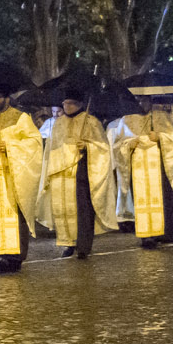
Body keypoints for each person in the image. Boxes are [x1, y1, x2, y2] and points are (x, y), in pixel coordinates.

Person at [37, 94, 117, 258]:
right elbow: (51, 147)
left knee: (82, 210)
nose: (67, 107)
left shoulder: (91, 121)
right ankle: (68, 242)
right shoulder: (58, 123)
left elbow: (103, 147)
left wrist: (88, 146)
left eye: (71, 103)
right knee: (64, 210)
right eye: (65, 103)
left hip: (81, 171)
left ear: (80, 103)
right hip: (60, 173)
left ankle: (83, 245)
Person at [0, 85, 41, 273]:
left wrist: (11, 147)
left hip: (13, 175)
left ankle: (15, 256)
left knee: (14, 214)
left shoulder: (20, 118)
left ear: (7, 98)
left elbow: (34, 143)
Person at [112, 110, 173, 249]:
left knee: (164, 198)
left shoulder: (160, 116)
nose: (142, 103)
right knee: (140, 200)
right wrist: (128, 144)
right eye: (139, 100)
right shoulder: (126, 119)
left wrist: (160, 137)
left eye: (145, 100)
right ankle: (146, 235)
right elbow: (117, 144)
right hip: (137, 165)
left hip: (159, 164)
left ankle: (165, 233)